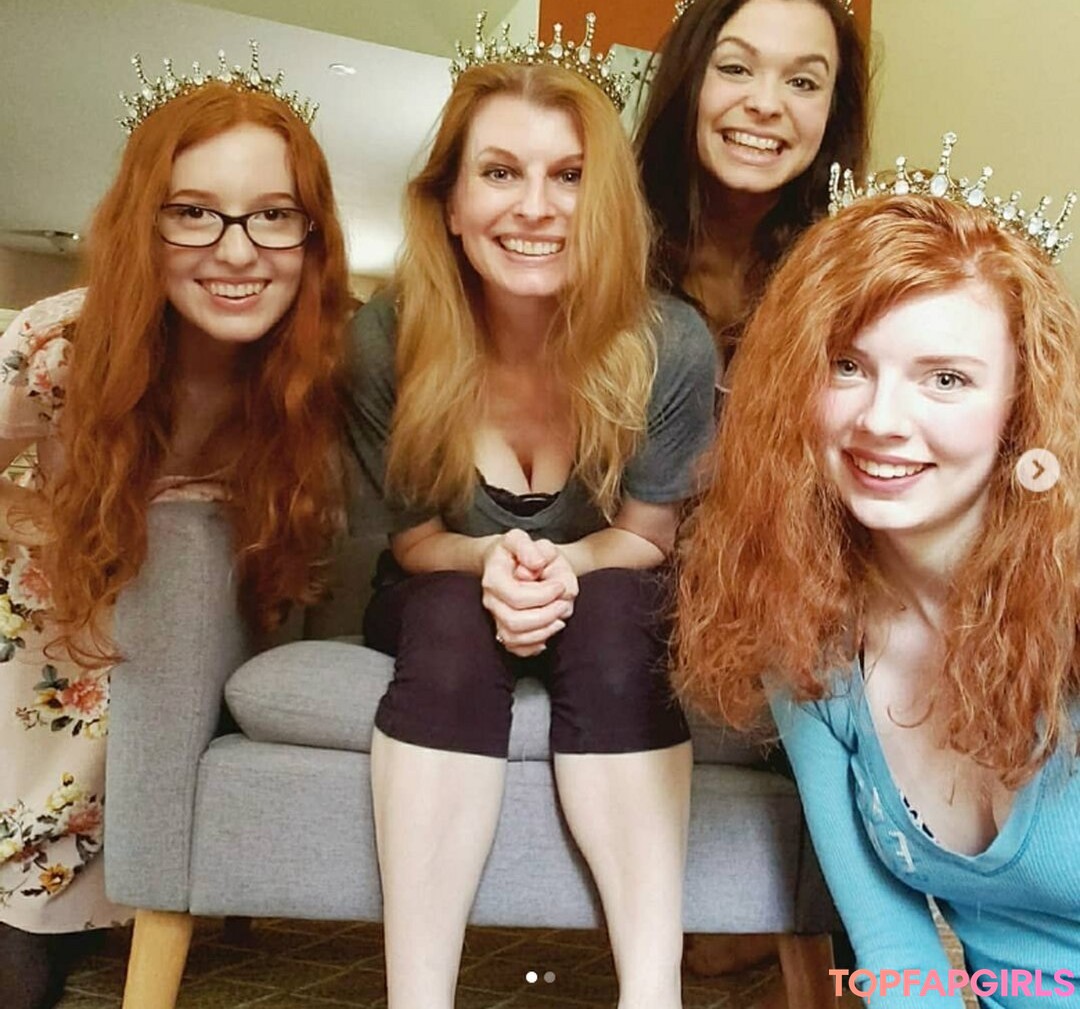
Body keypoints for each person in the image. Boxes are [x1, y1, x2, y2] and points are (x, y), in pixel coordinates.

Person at [347, 17, 716, 1009]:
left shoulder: (671, 342)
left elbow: (644, 537)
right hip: (440, 585)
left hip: (608, 582)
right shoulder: (385, 335)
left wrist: (559, 568)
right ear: (451, 202)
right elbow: (417, 541)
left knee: (620, 615)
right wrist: (495, 564)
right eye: (501, 173)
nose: (537, 207)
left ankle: (653, 994)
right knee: (448, 619)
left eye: (570, 176)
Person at [675, 165, 1080, 1008]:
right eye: (848, 365)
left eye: (946, 378)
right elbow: (897, 951)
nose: (882, 421)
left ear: (1021, 404)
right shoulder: (812, 638)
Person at [0, 47, 351, 1009]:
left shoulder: (321, 373)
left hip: (172, 653)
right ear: (144, 225)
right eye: (194, 212)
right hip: (45, 636)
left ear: (311, 234)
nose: (236, 251)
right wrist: (52, 525)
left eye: (273, 215)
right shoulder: (62, 342)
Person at [636, 0, 869, 360]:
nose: (766, 104)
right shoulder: (606, 242)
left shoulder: (854, 275)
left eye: (802, 82)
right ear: (687, 81)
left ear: (834, 111)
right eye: (736, 69)